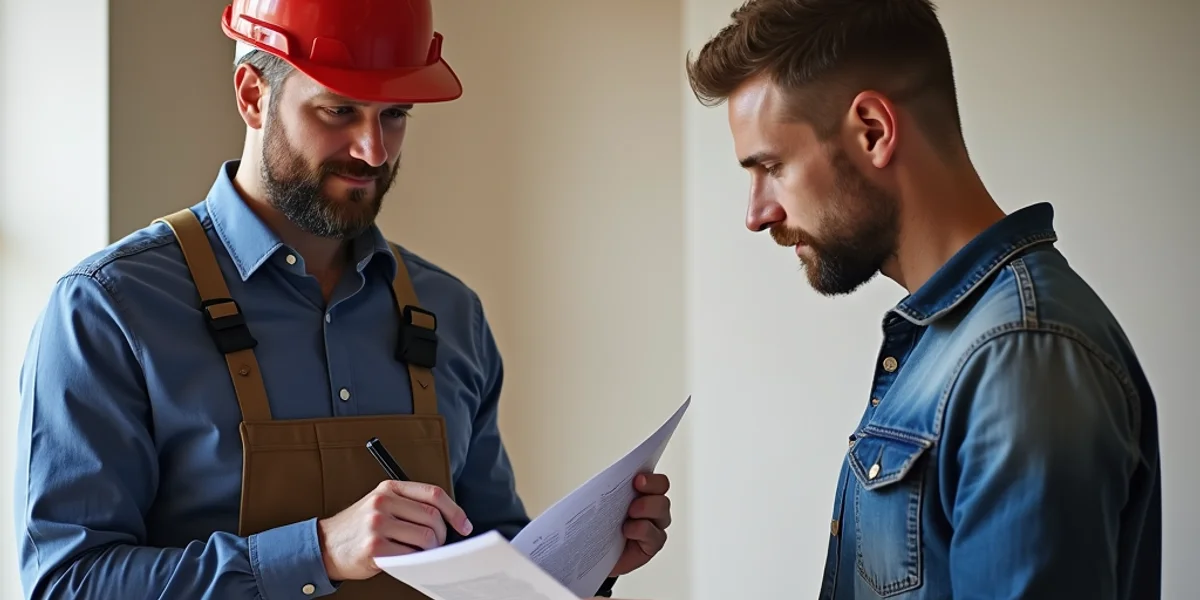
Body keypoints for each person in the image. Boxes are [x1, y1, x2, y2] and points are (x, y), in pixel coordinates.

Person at [12, 1, 672, 599]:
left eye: (394, 116)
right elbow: (68, 582)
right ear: (252, 96)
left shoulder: (452, 314)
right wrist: (318, 551)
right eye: (339, 111)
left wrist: (592, 563)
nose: (373, 150)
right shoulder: (109, 309)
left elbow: (488, 560)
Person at [685, 1, 1161, 599]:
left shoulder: (1019, 356)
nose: (756, 215)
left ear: (873, 132)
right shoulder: (953, 342)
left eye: (771, 167)